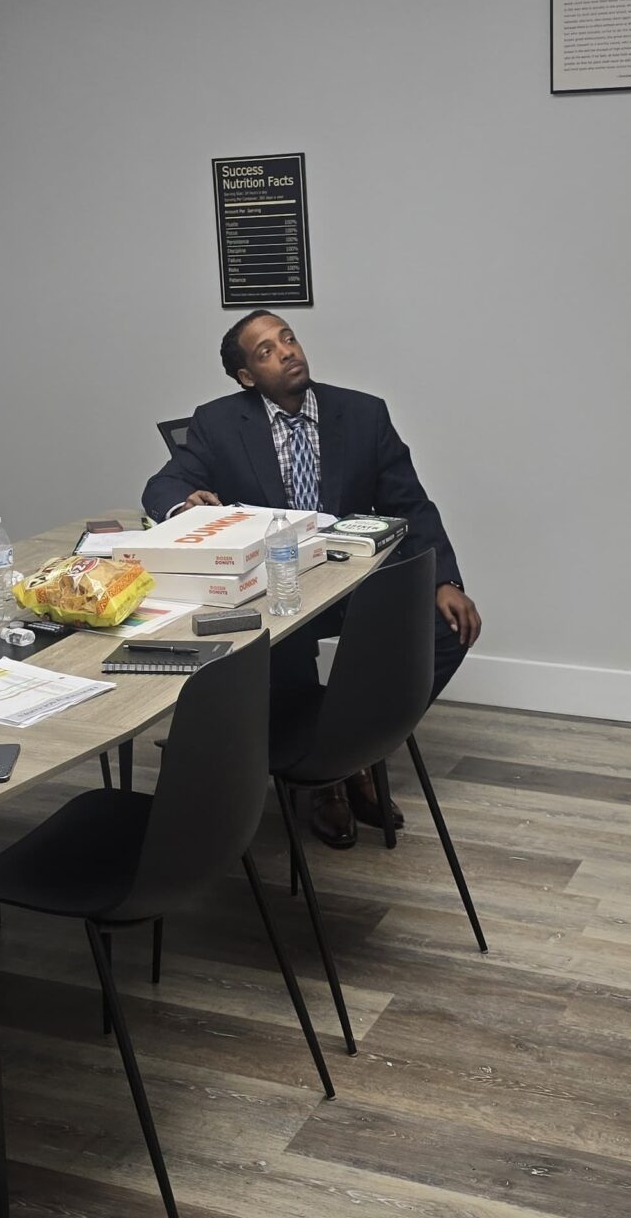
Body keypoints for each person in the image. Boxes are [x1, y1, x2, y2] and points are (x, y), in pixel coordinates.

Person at [143, 310, 481, 848]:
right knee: (285, 637)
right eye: (265, 351)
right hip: (278, 588)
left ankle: (357, 751)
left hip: (352, 581)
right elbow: (164, 484)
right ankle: (326, 779)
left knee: (445, 628)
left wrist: (446, 581)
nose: (286, 351)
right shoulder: (219, 422)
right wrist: (184, 502)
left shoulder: (364, 414)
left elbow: (409, 504)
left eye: (288, 338)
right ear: (246, 377)